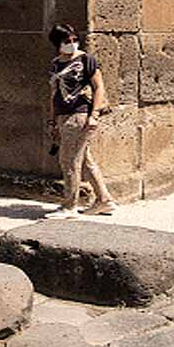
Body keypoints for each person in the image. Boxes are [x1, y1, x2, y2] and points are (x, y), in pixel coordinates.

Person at [45, 24, 118, 219]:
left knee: (68, 161)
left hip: (79, 114)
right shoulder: (56, 64)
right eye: (66, 41)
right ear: (57, 43)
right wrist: (52, 121)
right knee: (85, 160)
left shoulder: (86, 59)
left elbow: (99, 88)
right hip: (63, 115)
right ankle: (104, 199)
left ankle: (70, 206)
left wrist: (93, 115)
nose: (72, 44)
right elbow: (53, 95)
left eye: (74, 40)